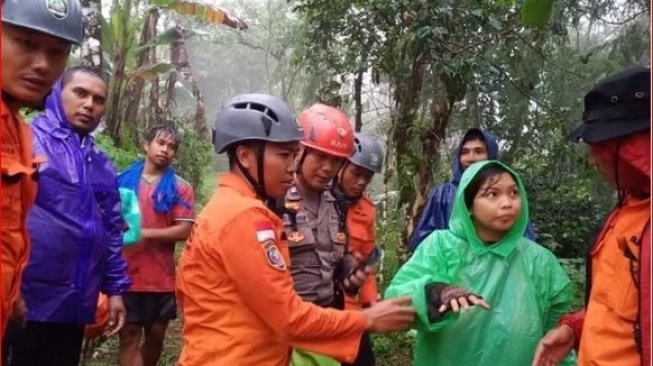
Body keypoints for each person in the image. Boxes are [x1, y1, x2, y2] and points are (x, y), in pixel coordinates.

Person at [175, 93, 415, 366]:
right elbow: (288, 318)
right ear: (244, 156)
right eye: (284, 155)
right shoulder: (243, 216)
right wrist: (367, 319)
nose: (292, 167)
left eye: (294, 154)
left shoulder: (235, 208)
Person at [385, 160, 576, 366]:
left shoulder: (539, 261)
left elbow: (557, 334)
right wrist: (437, 293)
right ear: (468, 206)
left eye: (514, 193)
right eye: (493, 194)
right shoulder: (441, 246)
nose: (507, 203)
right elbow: (397, 297)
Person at [5, 66, 131, 366]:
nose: (89, 104)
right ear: (58, 93)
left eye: (98, 99)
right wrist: (8, 287)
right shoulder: (26, 143)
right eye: (80, 93)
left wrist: (114, 291)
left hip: (74, 303)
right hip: (24, 300)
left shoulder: (100, 164)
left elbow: (112, 230)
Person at [532, 66, 650, 366]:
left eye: (600, 147)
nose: (593, 159)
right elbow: (624, 310)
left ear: (634, 148)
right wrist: (575, 329)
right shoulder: (625, 213)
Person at [1, 0, 84, 338]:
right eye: (25, 43)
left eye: (57, 51)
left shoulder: (19, 130)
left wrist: (11, 292)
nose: (42, 64)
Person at [281, 103, 377, 366]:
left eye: (335, 160)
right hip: (288, 328)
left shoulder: (335, 204)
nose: (327, 167)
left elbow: (338, 257)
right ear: (301, 152)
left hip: (327, 321)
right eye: (320, 157)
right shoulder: (278, 199)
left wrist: (349, 270)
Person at [117, 125, 195, 366]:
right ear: (146, 145)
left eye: (171, 147)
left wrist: (145, 233)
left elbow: (185, 229)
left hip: (160, 279)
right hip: (126, 275)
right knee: (129, 337)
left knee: (155, 338)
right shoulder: (122, 181)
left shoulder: (180, 188)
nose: (165, 150)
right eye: (161, 143)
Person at [409, 127, 537, 252]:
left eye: (479, 151)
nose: (470, 158)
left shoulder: (507, 190)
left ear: (490, 155)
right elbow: (424, 241)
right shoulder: (443, 193)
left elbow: (523, 239)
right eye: (464, 152)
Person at [335, 133, 385, 366]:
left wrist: (371, 302)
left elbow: (368, 259)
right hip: (322, 305)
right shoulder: (317, 200)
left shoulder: (366, 210)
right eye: (356, 173)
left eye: (367, 177)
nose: (362, 182)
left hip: (353, 307)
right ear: (340, 166)